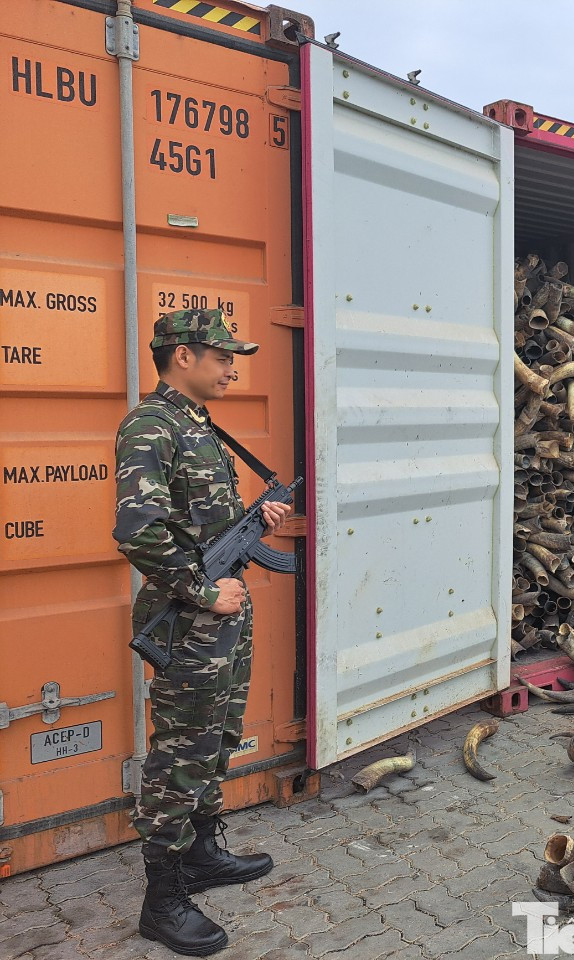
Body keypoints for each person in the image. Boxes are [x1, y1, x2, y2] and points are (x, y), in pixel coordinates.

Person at [114, 308, 291, 956]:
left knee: (217, 736)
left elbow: (201, 529)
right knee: (179, 754)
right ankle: (162, 900)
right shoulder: (150, 426)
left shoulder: (199, 426)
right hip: (191, 621)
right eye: (222, 356)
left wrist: (258, 522)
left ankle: (205, 851)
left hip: (221, 617)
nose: (232, 368)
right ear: (182, 356)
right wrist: (204, 592)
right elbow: (139, 530)